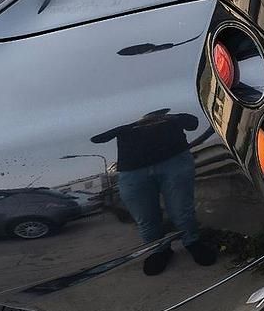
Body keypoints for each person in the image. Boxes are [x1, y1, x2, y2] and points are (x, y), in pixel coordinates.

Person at [91, 109, 214, 274]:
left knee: (181, 210)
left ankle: (192, 242)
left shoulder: (172, 120)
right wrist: (132, 126)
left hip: (174, 161)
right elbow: (98, 139)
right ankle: (159, 250)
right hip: (132, 171)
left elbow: (192, 123)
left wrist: (171, 118)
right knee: (145, 218)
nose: (152, 121)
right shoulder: (128, 128)